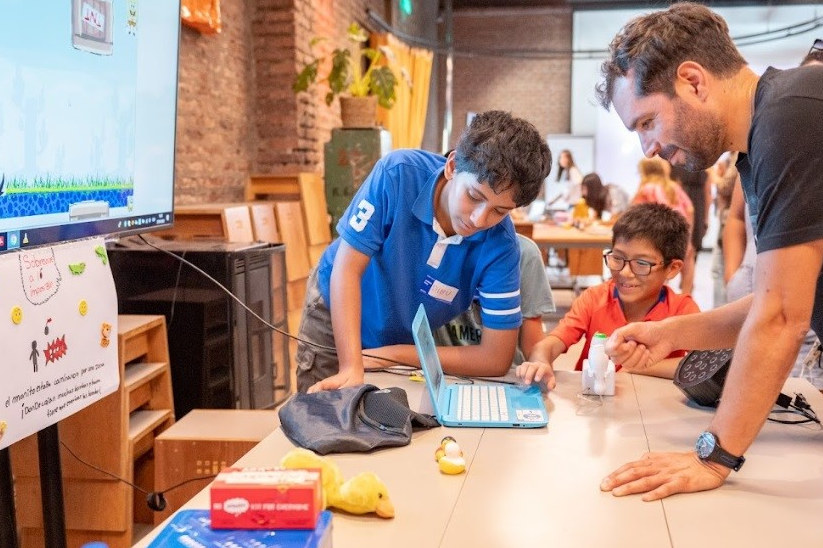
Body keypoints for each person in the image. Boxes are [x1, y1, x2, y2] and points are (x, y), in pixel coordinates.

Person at [595, 2, 823, 500]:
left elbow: (782, 317)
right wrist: (667, 333)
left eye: (647, 122)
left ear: (693, 82)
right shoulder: (760, 145)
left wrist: (713, 456)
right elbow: (780, 298)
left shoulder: (792, 114)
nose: (648, 149)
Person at [296, 110, 551, 393]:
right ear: (452, 167)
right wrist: (350, 365)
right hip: (337, 310)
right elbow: (347, 268)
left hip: (400, 334)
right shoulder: (398, 174)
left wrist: (393, 355)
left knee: (380, 414)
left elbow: (495, 358)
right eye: (474, 196)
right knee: (320, 409)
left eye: (499, 211)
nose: (479, 220)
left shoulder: (502, 246)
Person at [515, 203, 700, 390]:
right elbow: (549, 345)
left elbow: (707, 365)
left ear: (672, 268)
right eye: (617, 258)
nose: (625, 272)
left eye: (642, 263)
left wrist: (641, 367)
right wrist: (540, 361)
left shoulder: (682, 309)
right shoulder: (594, 298)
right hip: (594, 401)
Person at [432, 233, 555, 366]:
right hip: (441, 368)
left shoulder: (524, 252)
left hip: (506, 371)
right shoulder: (433, 245)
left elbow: (532, 345)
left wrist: (539, 363)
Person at [632, 156, 696, 294]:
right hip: (680, 233)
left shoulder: (646, 189)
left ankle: (657, 298)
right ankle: (686, 296)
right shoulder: (673, 187)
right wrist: (688, 235)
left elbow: (634, 214)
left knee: (659, 269)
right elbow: (690, 209)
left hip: (658, 238)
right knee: (687, 264)